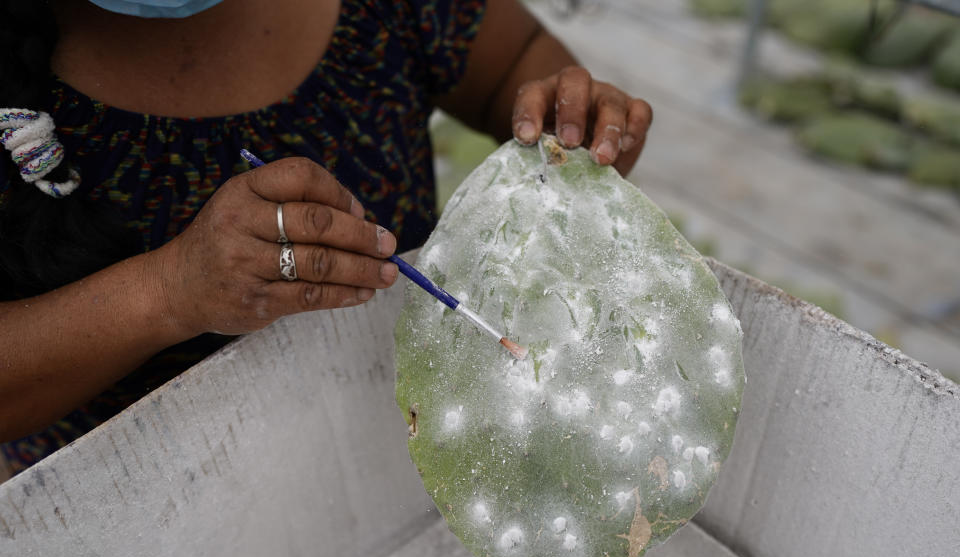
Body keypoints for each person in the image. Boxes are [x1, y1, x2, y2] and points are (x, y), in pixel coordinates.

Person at [0, 0, 652, 474]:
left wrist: (570, 122)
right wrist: (167, 292)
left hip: (399, 445)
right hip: (125, 516)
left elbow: (512, 59)